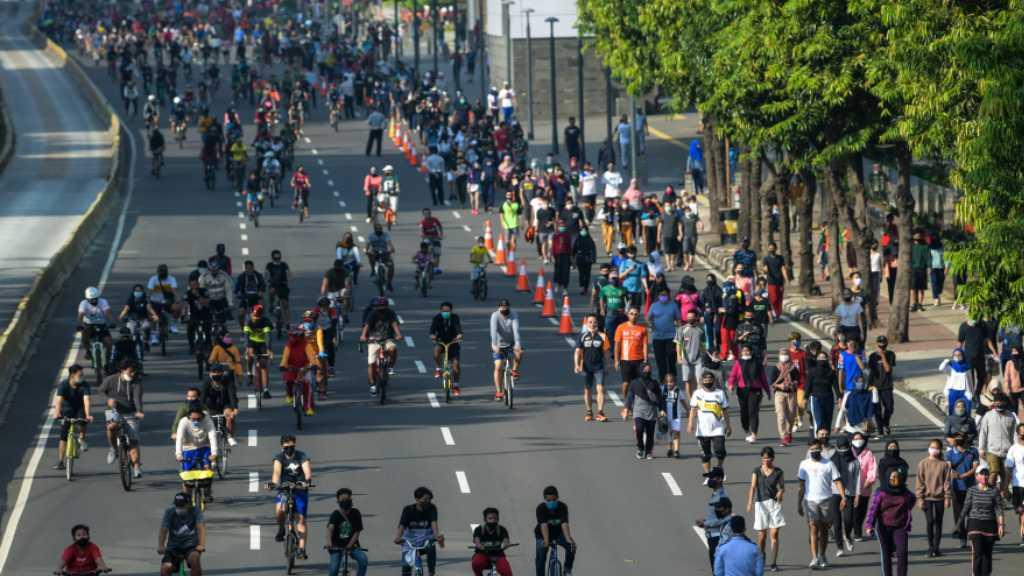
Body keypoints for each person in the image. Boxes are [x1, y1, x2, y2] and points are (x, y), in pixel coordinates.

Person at [798, 438, 846, 569]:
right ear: (808, 450)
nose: (815, 451)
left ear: (821, 449)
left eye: (817, 449)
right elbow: (801, 485)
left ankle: (822, 555)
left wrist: (843, 497)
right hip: (810, 501)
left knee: (824, 529)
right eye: (812, 449)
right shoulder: (804, 464)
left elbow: (837, 481)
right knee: (813, 528)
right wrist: (799, 503)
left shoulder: (829, 464)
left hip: (826, 500)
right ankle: (814, 558)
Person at [863, 466, 916, 576]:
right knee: (886, 553)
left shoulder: (905, 492)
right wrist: (869, 525)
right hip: (884, 527)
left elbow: (912, 500)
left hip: (900, 526)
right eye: (892, 477)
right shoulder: (881, 492)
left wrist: (905, 512)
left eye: (897, 477)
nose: (895, 479)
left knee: (902, 553)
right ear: (887, 478)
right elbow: (873, 509)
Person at [269, 435, 313, 558]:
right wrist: (274, 483)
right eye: (286, 446)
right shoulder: (279, 458)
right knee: (280, 509)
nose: (289, 449)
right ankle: (281, 529)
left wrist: (307, 481)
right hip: (284, 489)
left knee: (301, 520)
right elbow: (276, 472)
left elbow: (307, 471)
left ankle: (302, 549)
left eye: (292, 446)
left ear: (295, 445)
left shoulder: (302, 456)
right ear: (282, 446)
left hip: (300, 490)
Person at [98, 361, 143, 478]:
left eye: (134, 371)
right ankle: (113, 448)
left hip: (130, 413)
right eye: (130, 371)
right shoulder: (111, 380)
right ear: (122, 370)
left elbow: (137, 398)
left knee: (133, 440)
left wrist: (139, 411)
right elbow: (101, 391)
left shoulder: (136, 383)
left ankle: (136, 467)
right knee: (111, 427)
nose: (132, 373)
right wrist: (108, 399)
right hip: (113, 411)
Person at [746, 446, 785, 571]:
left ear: (772, 458)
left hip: (774, 504)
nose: (765, 460)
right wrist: (749, 502)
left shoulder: (778, 472)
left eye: (768, 458)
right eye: (763, 458)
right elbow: (752, 487)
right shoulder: (756, 471)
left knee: (774, 533)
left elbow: (782, 487)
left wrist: (781, 492)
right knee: (762, 535)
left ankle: (774, 563)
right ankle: (761, 556)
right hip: (761, 504)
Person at [961, 466, 1004, 576]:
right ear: (976, 476)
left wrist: (1001, 525)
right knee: (978, 552)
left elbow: (999, 509)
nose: (984, 476)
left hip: (990, 525)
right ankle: (975, 573)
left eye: (986, 474)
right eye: (982, 474)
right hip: (975, 524)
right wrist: (959, 523)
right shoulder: (971, 490)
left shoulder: (994, 491)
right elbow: (966, 507)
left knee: (987, 554)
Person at [915, 438, 953, 557]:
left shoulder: (944, 465)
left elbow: (947, 482)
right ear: (928, 449)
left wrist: (947, 498)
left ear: (940, 450)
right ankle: (930, 547)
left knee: (939, 522)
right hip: (927, 498)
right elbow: (919, 482)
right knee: (930, 521)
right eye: (932, 447)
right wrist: (919, 498)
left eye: (936, 448)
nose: (934, 450)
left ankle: (937, 547)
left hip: (940, 498)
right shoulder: (923, 463)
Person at [396, 486, 445, 576]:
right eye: (425, 499)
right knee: (407, 568)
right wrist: (398, 537)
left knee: (431, 547)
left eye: (429, 499)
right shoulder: (408, 510)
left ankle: (431, 571)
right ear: (417, 499)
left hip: (425, 541)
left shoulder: (432, 508)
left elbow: (434, 524)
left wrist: (437, 536)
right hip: (410, 543)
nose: (428, 502)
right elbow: (402, 525)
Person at [52, 365, 93, 470]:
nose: (82, 376)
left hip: (80, 409)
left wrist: (88, 415)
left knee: (83, 420)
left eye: (82, 374)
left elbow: (86, 400)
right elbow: (59, 401)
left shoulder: (85, 385)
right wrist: (57, 413)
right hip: (66, 410)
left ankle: (82, 438)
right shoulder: (63, 385)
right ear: (72, 375)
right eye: (80, 375)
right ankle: (61, 461)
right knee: (63, 436)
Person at [175, 401, 218, 499]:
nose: (196, 421)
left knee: (208, 468)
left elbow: (212, 436)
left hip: (204, 446)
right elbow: (179, 438)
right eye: (193, 419)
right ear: (188, 416)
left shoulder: (207, 420)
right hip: (188, 448)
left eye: (199, 419)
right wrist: (178, 454)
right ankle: (186, 496)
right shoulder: (184, 422)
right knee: (186, 474)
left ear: (202, 415)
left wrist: (214, 453)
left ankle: (207, 491)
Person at [622, 363, 666, 460]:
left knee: (650, 433)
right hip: (638, 411)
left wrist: (662, 409)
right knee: (639, 429)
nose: (647, 372)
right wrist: (626, 410)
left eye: (648, 370)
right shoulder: (634, 383)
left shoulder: (654, 383)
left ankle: (649, 451)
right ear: (640, 370)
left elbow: (660, 397)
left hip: (651, 411)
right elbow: (629, 397)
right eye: (645, 370)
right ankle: (640, 449)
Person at [690, 371, 732, 474]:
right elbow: (693, 409)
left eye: (710, 379)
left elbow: (725, 410)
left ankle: (718, 468)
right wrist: (690, 423)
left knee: (720, 452)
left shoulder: (720, 393)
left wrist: (728, 425)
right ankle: (709, 475)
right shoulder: (697, 393)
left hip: (718, 428)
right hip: (702, 431)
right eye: (705, 379)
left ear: (713, 380)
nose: (708, 381)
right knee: (705, 455)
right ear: (701, 381)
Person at [360, 297, 402, 397]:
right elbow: (367, 325)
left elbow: (394, 324)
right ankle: (372, 385)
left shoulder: (390, 313)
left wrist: (398, 334)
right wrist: (363, 335)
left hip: (388, 338)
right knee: (371, 363)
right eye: (379, 307)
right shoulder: (372, 314)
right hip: (374, 339)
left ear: (387, 306)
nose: (381, 309)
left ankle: (391, 367)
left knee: (393, 349)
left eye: (383, 307)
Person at [978, 392, 1017, 496]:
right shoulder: (988, 416)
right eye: (997, 403)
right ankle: (988, 494)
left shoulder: (1011, 417)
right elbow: (983, 433)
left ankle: (1003, 494)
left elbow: (1014, 435)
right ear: (994, 403)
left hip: (1007, 452)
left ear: (1005, 403)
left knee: (1006, 477)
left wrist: (1017, 450)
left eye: (1001, 402)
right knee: (993, 472)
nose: (999, 405)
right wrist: (981, 449)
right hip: (992, 451)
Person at [158, 493, 205, 576]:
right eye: (177, 506)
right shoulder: (170, 512)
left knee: (195, 559)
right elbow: (164, 529)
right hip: (173, 547)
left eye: (182, 506)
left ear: (189, 504)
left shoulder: (196, 511)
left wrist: (201, 544)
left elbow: (200, 527)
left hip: (191, 546)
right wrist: (161, 545)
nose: (179, 508)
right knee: (166, 567)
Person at [728, 344, 767, 444]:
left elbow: (763, 377)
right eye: (743, 351)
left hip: (755, 390)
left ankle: (754, 434)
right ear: (741, 352)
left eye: (747, 350)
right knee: (744, 413)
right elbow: (733, 375)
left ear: (751, 352)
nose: (745, 352)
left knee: (753, 412)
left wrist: (767, 390)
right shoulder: (738, 363)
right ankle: (747, 430)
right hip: (742, 391)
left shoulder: (757, 363)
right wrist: (731, 384)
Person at [574, 314, 610, 422]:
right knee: (587, 390)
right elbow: (577, 352)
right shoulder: (582, 336)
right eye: (590, 322)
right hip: (586, 367)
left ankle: (600, 412)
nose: (592, 324)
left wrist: (607, 366)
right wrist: (576, 365)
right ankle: (589, 412)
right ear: (586, 323)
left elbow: (606, 353)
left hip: (599, 367)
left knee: (600, 388)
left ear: (597, 324)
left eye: (595, 322)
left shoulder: (603, 336)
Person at [830, 435, 862, 556]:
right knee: (837, 522)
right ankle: (839, 547)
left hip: (849, 493)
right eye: (841, 448)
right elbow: (829, 479)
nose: (843, 450)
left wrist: (858, 494)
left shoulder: (854, 461)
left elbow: (857, 478)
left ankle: (847, 535)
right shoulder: (832, 461)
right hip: (834, 493)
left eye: (845, 447)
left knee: (848, 519)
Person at [947, 432, 979, 549]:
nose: (960, 442)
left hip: (970, 487)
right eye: (958, 440)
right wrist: (953, 474)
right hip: (956, 488)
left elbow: (975, 468)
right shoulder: (950, 453)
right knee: (959, 514)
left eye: (961, 439)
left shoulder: (973, 452)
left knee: (972, 513)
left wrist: (963, 475)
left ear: (966, 440)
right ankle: (962, 538)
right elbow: (948, 467)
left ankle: (972, 537)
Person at [534, 486, 576, 576]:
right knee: (541, 556)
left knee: (571, 546)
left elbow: (564, 523)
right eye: (548, 500)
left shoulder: (562, 507)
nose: (551, 502)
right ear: (545, 499)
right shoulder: (541, 508)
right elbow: (543, 525)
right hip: (542, 535)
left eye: (554, 500)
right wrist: (546, 540)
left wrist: (568, 539)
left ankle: (567, 570)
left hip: (558, 534)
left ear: (557, 498)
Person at [326, 488, 368, 576]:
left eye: (347, 499)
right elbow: (330, 529)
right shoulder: (335, 514)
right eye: (343, 499)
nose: (345, 501)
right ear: (338, 501)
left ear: (351, 499)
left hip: (352, 546)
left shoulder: (356, 513)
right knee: (334, 569)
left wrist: (349, 546)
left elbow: (357, 532)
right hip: (337, 546)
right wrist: (329, 542)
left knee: (363, 559)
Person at [697, 468, 731, 568]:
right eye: (709, 478)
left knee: (718, 569)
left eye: (712, 478)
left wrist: (706, 523)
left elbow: (726, 519)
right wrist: (706, 520)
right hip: (713, 536)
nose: (710, 480)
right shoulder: (716, 495)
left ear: (720, 479)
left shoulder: (721, 497)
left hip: (718, 538)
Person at [490, 299, 523, 401]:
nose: (505, 310)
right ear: (499, 308)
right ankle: (499, 391)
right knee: (498, 366)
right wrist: (495, 345)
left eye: (506, 308)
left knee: (519, 353)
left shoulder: (513, 315)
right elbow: (493, 331)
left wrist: (517, 345)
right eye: (502, 308)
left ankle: (515, 370)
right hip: (498, 344)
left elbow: (516, 331)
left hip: (511, 343)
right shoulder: (495, 316)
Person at [647, 287, 680, 382]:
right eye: (662, 295)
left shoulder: (673, 306)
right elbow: (648, 318)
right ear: (658, 296)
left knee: (671, 360)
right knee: (660, 361)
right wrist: (651, 325)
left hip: (671, 337)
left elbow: (678, 320)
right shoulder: (654, 306)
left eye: (665, 295)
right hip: (657, 337)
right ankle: (663, 381)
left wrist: (680, 331)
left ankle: (673, 380)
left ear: (669, 296)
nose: (663, 297)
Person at [430, 302, 463, 396]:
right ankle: (438, 369)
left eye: (448, 311)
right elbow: (432, 330)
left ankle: (456, 385)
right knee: (436, 352)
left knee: (456, 365)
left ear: (451, 311)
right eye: (444, 311)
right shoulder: (437, 318)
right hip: (440, 341)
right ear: (441, 311)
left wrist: (459, 335)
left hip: (453, 342)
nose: (446, 313)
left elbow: (458, 329)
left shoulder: (455, 318)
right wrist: (432, 336)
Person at [851, 431, 879, 542]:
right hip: (851, 488)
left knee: (862, 510)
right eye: (855, 439)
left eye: (860, 439)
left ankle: (858, 527)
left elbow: (873, 468)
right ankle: (856, 532)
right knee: (853, 510)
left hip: (864, 488)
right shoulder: (849, 452)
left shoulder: (868, 453)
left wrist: (870, 480)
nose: (858, 441)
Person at [202, 363, 238, 445]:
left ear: (222, 373)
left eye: (218, 372)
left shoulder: (228, 380)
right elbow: (203, 397)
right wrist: (202, 409)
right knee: (208, 419)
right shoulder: (207, 382)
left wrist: (235, 408)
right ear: (210, 374)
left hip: (225, 403)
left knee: (229, 415)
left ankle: (229, 436)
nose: (216, 375)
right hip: (212, 405)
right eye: (214, 372)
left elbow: (232, 395)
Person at [769, 348, 800, 447]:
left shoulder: (793, 367)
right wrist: (780, 385)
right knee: (781, 416)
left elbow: (797, 380)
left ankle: (788, 431)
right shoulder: (776, 368)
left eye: (785, 354)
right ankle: (784, 437)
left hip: (791, 393)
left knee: (791, 416)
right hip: (779, 394)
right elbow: (772, 383)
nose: (784, 356)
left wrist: (792, 383)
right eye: (782, 354)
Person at [471, 508, 513, 576]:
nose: (493, 521)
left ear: (498, 519)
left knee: (507, 571)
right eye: (490, 518)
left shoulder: (502, 529)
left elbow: (506, 540)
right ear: (485, 519)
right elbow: (476, 540)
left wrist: (505, 544)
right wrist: (479, 545)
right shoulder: (479, 529)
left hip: (498, 556)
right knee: (476, 563)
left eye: (495, 518)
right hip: (483, 554)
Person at [869, 335, 897, 435]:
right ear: (877, 344)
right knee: (877, 409)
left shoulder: (890, 354)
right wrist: (869, 385)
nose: (881, 346)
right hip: (876, 386)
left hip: (887, 385)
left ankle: (885, 423)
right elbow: (871, 372)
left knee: (889, 407)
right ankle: (880, 429)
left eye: (883, 344)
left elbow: (888, 369)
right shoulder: (872, 356)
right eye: (879, 344)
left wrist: (883, 356)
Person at [78, 286, 115, 361]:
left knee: (109, 343)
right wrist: (80, 324)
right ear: (87, 299)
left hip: (101, 325)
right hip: (88, 325)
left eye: (95, 299)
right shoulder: (83, 303)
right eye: (91, 300)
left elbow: (107, 312)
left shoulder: (103, 301)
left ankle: (108, 361)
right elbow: (80, 315)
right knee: (84, 336)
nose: (94, 301)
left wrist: (112, 321)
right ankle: (88, 351)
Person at [1004, 423, 1024, 545]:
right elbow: (1008, 469)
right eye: (1022, 434)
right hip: (1018, 486)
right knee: (1021, 511)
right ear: (1017, 435)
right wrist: (1005, 487)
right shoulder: (1013, 449)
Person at [941, 348, 975, 416]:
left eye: (959, 355)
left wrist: (972, 392)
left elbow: (970, 380)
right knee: (952, 409)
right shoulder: (951, 367)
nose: (957, 357)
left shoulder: (967, 367)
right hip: (953, 391)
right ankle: (952, 423)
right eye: (955, 355)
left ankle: (966, 424)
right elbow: (941, 368)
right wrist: (946, 361)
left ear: (962, 355)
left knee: (967, 407)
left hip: (965, 391)